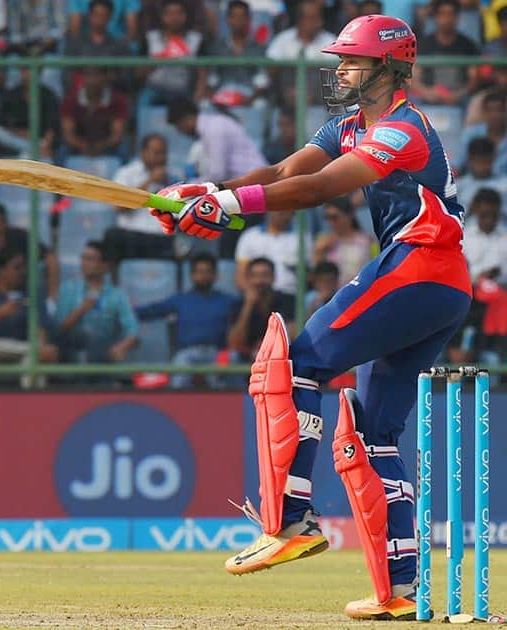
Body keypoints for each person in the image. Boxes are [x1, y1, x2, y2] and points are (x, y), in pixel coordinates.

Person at [148, 14, 472, 621]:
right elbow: (281, 174)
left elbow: (321, 189)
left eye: (352, 60)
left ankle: (292, 520)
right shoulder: (348, 125)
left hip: (421, 265)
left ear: (390, 66)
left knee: (297, 365)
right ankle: (400, 590)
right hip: (438, 285)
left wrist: (229, 206)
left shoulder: (404, 130)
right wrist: (208, 193)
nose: (341, 69)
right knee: (376, 434)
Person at [136, 253, 238, 389]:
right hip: (187, 353)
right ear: (192, 275)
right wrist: (126, 311)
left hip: (217, 352)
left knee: (224, 380)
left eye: (208, 272)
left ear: (216, 275)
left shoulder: (227, 301)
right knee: (179, 380)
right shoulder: (181, 300)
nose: (204, 276)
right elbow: (152, 311)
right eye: (199, 272)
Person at [56, 240, 139, 364]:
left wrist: (122, 346)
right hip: (70, 355)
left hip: (103, 358)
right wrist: (82, 308)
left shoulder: (117, 295)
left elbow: (132, 329)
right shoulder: (68, 290)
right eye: (83, 258)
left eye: (90, 259)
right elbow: (58, 328)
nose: (84, 263)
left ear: (105, 265)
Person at [103, 133, 175, 267]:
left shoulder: (173, 178)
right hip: (131, 236)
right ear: (143, 153)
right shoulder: (126, 173)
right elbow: (119, 206)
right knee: (111, 235)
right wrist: (150, 181)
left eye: (163, 153)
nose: (161, 158)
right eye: (156, 153)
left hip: (160, 239)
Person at [227, 256, 295, 361]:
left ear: (273, 277)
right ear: (248, 279)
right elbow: (235, 343)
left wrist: (266, 346)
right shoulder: (239, 303)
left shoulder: (287, 300)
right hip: (248, 356)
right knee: (233, 357)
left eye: (265, 275)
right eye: (255, 276)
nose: (259, 281)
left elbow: (292, 334)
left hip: (277, 354)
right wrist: (248, 306)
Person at [313, 196, 377, 287]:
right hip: (333, 294)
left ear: (349, 215)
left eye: (334, 217)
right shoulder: (323, 241)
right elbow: (318, 274)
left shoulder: (368, 241)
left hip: (360, 289)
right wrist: (319, 251)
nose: (330, 222)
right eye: (327, 218)